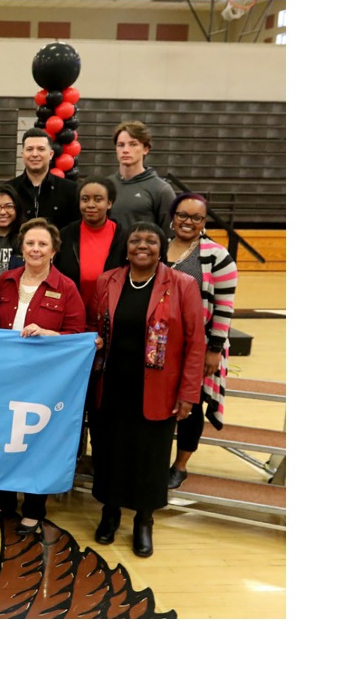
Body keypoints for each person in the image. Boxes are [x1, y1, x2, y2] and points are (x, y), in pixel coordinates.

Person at [88, 223, 205, 558]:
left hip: (159, 389)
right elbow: (94, 326)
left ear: (161, 248)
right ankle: (110, 512)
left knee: (150, 457)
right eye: (135, 240)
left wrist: (188, 394)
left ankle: (144, 519)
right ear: (125, 249)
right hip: (110, 384)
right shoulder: (107, 280)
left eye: (150, 241)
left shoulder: (182, 284)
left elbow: (195, 343)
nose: (142, 246)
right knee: (109, 452)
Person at [0, 218, 86, 533]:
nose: (35, 249)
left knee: (35, 442)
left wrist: (49, 334)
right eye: (30, 243)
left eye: (43, 244)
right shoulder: (5, 281)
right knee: (3, 437)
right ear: (22, 247)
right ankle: (3, 500)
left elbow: (77, 337)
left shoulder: (66, 288)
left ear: (54, 250)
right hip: (4, 375)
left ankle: (34, 507)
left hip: (44, 381)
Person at [164, 193, 238, 489]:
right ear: (173, 216)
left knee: (191, 405)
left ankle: (180, 466)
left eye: (196, 217)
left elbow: (225, 306)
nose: (188, 222)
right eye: (182, 215)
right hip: (159, 344)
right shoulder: (158, 246)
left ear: (204, 222)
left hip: (199, 345)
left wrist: (214, 349)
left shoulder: (217, 256)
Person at [55, 177, 128, 313]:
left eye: (98, 200)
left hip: (111, 313)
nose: (90, 205)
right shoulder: (65, 235)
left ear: (109, 203)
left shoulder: (124, 237)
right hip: (70, 311)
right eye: (85, 199)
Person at [109, 120, 176, 233]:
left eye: (133, 144)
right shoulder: (106, 186)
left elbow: (170, 235)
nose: (125, 150)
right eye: (121, 145)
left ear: (145, 149)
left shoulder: (161, 190)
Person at [6, 127, 79, 229]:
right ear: (22, 154)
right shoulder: (9, 189)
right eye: (29, 149)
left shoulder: (71, 190)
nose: (35, 154)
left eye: (41, 149)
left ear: (51, 154)